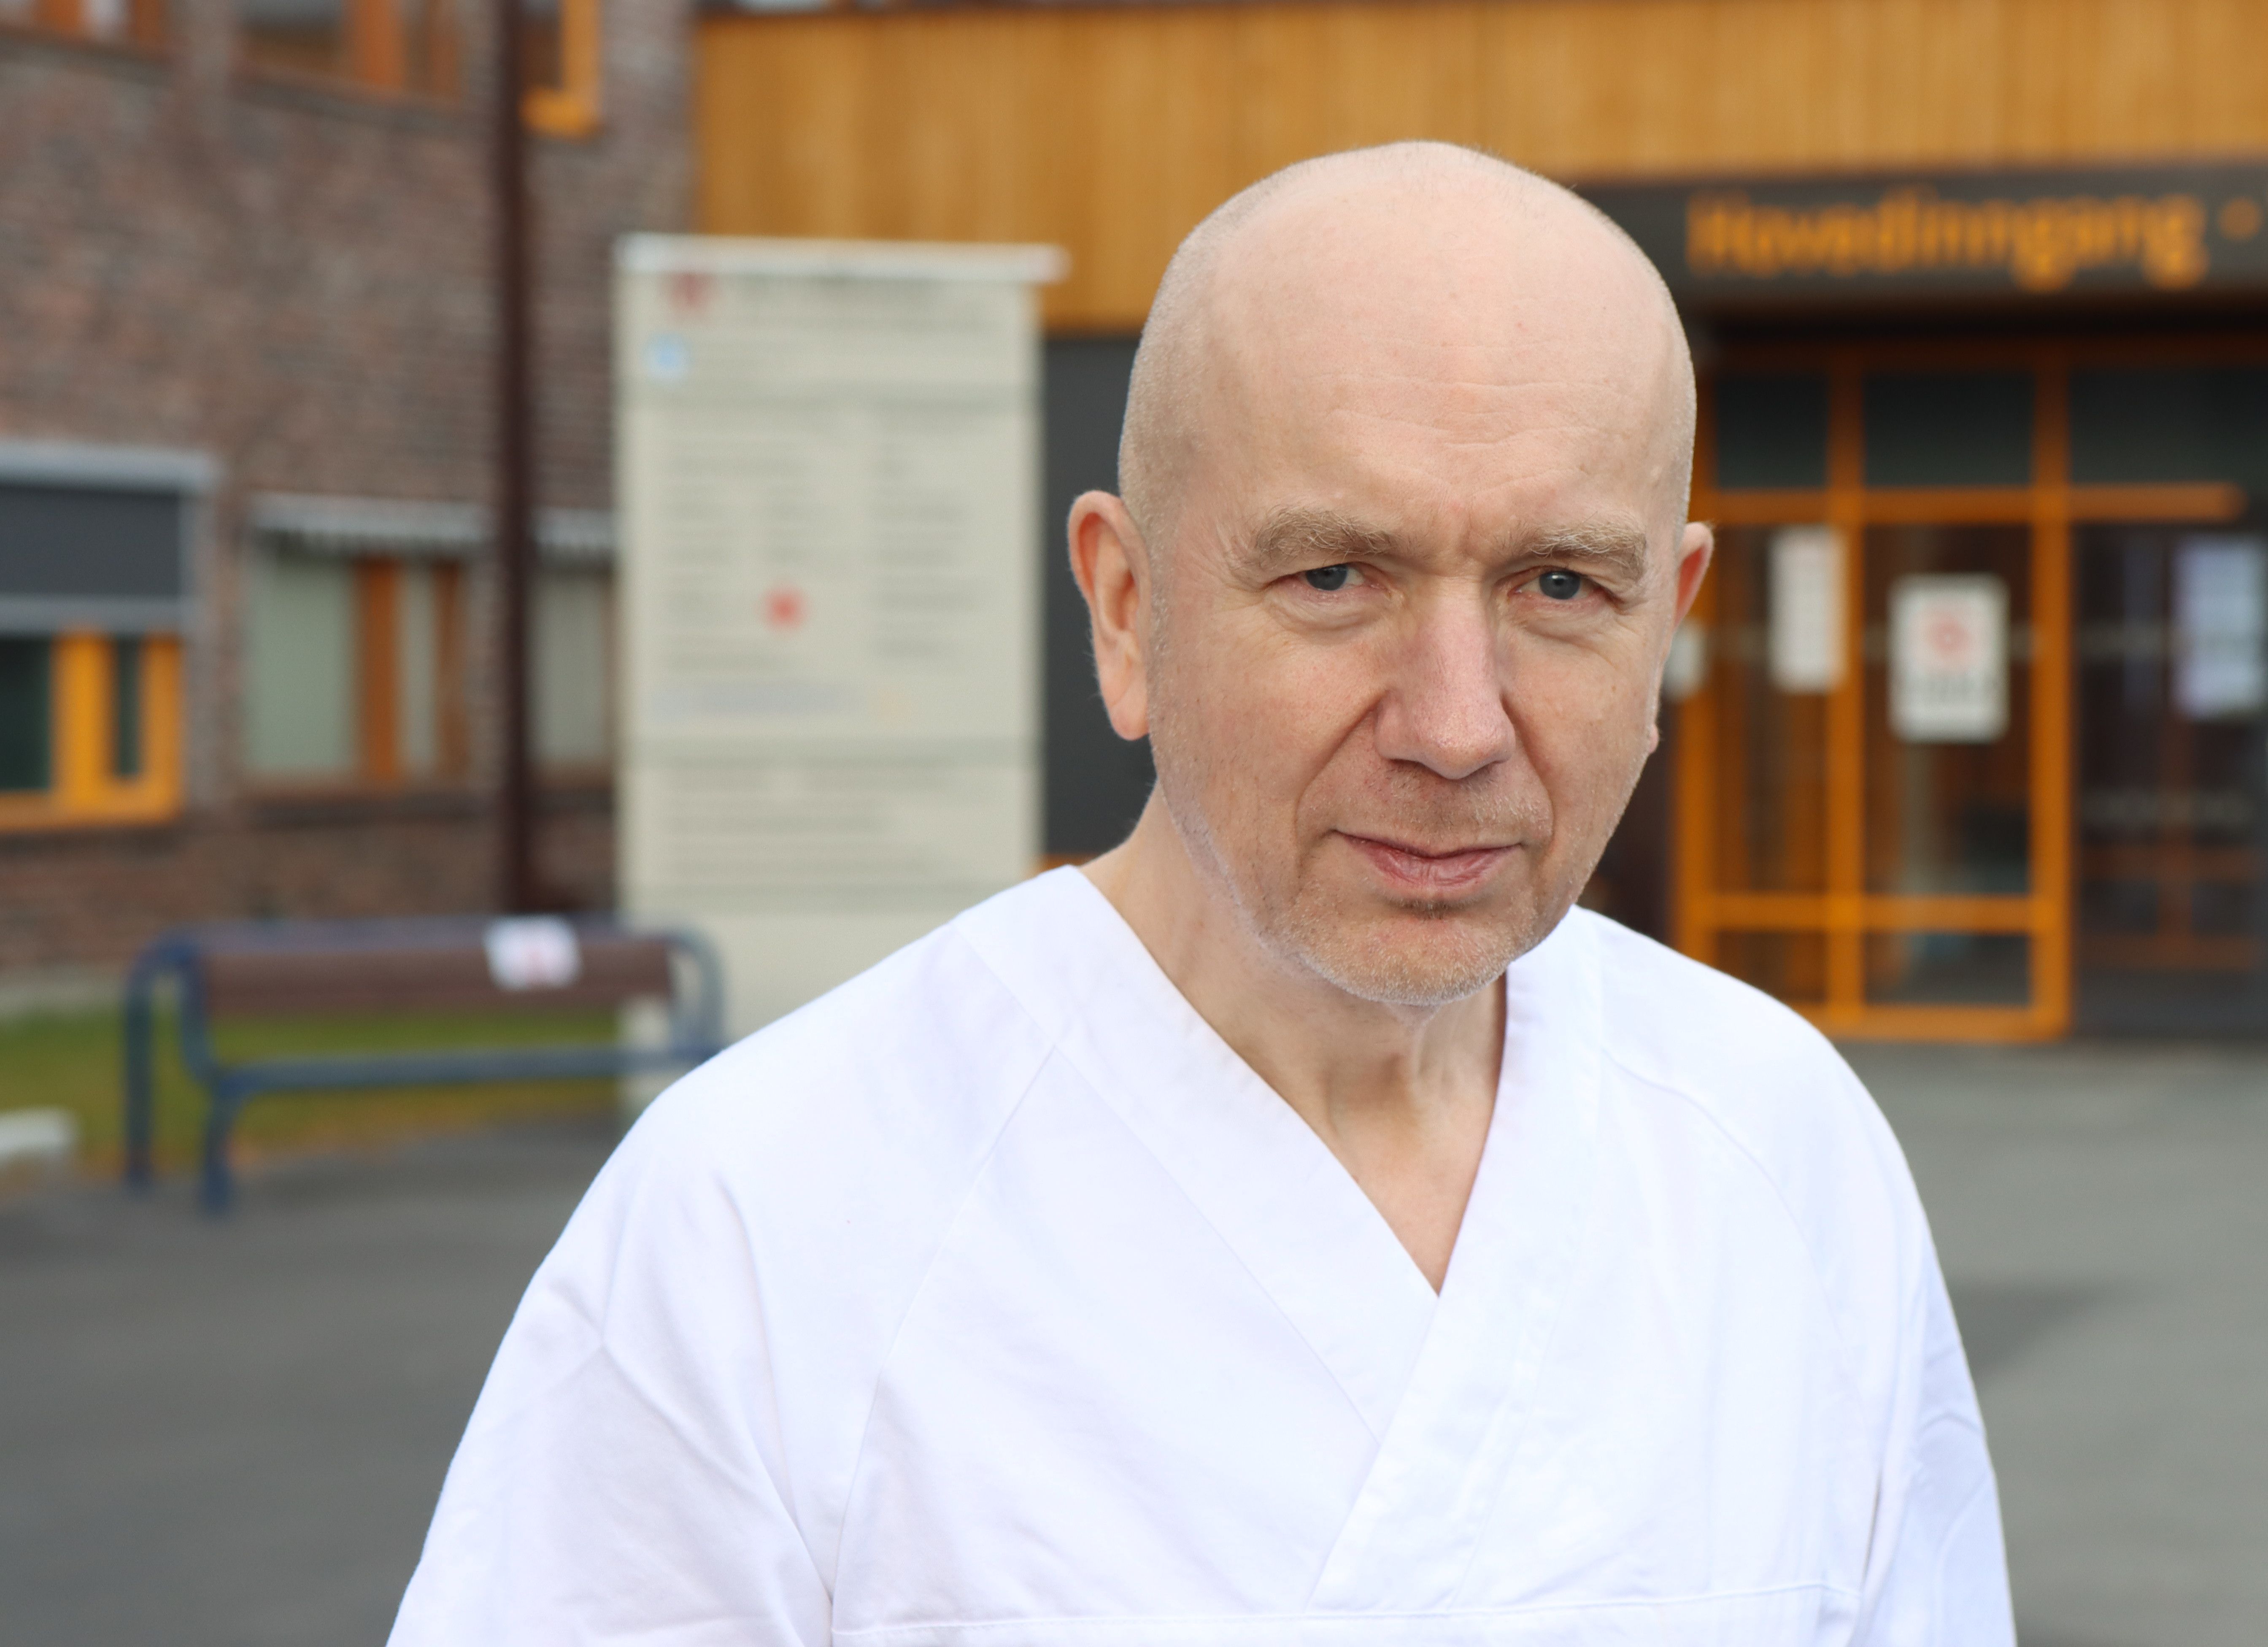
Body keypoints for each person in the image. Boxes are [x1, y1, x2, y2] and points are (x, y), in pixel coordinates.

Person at [390, 141, 2010, 1644]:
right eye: (1335, 577)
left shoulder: (1780, 1152)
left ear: (1672, 620)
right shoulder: (766, 1223)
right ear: (1125, 607)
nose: (1456, 725)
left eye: (1563, 586)